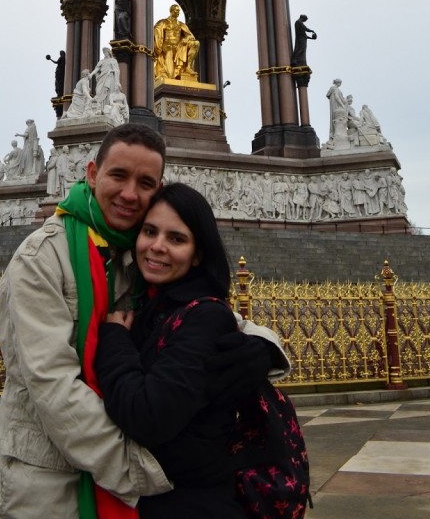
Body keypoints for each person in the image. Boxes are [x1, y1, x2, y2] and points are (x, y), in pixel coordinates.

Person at [0, 124, 172, 518]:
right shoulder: (41, 258)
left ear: (159, 189)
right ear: (91, 173)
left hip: (124, 470)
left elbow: (199, 311)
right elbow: (54, 386)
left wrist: (256, 345)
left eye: (145, 182)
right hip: (47, 481)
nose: (129, 194)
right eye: (118, 175)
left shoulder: (148, 254)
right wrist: (139, 470)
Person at [95, 183, 289, 518]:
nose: (157, 247)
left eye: (176, 238)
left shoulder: (202, 314)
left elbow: (147, 416)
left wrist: (113, 340)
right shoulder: (155, 305)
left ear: (199, 252)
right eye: (150, 231)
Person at [153, 4, 199, 81]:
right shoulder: (163, 22)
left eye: (179, 11)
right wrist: (158, 46)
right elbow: (157, 32)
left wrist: (185, 39)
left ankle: (188, 67)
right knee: (169, 51)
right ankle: (168, 74)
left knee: (196, 43)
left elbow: (191, 36)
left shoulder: (181, 24)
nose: (178, 12)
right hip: (166, 46)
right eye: (176, 10)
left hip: (178, 47)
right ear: (171, 11)